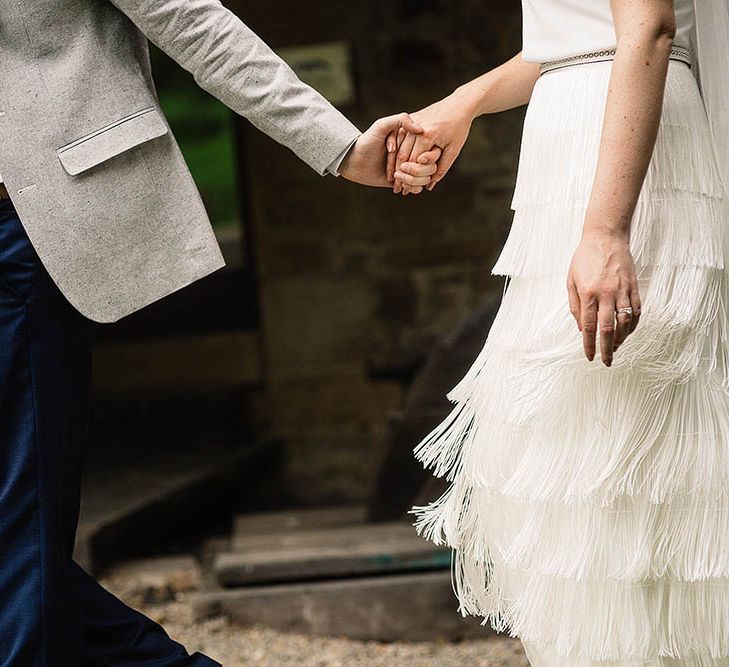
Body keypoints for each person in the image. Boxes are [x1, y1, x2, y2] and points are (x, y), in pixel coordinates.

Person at [0, 0, 439, 664]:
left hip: (23, 237)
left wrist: (340, 145)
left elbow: (189, 18)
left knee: (18, 533)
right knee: (17, 551)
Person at [396, 0, 729, 663]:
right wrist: (462, 103)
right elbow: (574, 34)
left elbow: (647, 30)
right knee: (578, 465)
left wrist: (606, 230)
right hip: (578, 134)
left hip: (618, 153)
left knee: (631, 457)